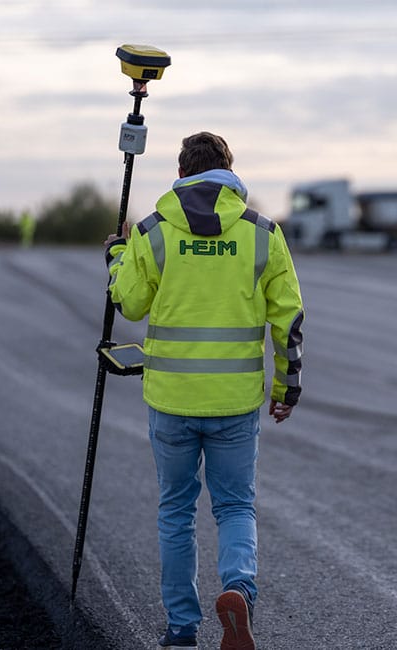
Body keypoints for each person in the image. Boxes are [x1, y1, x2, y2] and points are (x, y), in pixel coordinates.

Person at [104, 132, 304, 650]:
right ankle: (238, 589)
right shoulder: (263, 233)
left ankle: (181, 628)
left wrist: (117, 256)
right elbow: (288, 319)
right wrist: (286, 387)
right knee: (235, 507)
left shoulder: (152, 231)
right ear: (229, 171)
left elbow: (129, 303)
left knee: (176, 511)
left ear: (181, 173)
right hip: (234, 402)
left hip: (171, 400)